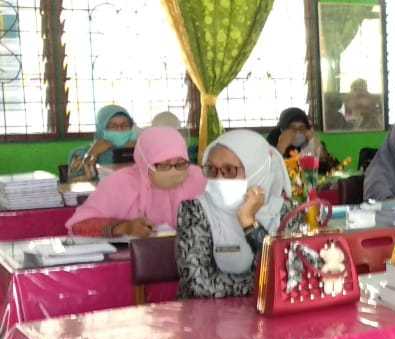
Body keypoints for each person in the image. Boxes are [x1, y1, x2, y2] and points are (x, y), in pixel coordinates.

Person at [177, 130, 290, 299]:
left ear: (256, 171)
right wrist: (268, 284)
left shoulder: (283, 213)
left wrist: (250, 224)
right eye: (211, 169)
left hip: (269, 312)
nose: (218, 179)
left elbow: (291, 273)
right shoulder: (194, 210)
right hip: (209, 314)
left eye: (229, 170)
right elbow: (198, 284)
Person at [67, 127, 206, 237]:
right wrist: (124, 227)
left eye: (180, 163)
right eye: (163, 165)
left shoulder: (197, 179)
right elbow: (78, 225)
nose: (174, 171)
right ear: (145, 162)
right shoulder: (120, 184)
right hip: (131, 260)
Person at [68, 105, 137, 180]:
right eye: (113, 126)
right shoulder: (81, 153)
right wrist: (91, 154)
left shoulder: (138, 152)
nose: (119, 130)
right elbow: (72, 181)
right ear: (101, 128)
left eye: (125, 125)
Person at [266, 107, 333, 170]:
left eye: (302, 128)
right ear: (283, 130)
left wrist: (315, 144)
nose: (298, 132)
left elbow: (330, 167)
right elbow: (266, 169)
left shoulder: (309, 139)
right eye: (292, 128)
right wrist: (281, 147)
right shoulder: (273, 138)